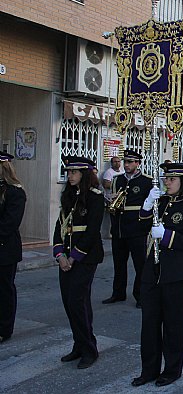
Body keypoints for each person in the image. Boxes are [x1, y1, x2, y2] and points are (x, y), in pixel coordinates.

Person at [132, 163, 183, 387]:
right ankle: (149, 370)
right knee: (149, 324)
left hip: (177, 273)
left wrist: (166, 236)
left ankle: (172, 370)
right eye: (166, 178)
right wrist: (146, 206)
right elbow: (141, 226)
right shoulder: (161, 201)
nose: (167, 182)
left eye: (172, 179)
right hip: (152, 272)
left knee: (173, 326)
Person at [53, 156, 104, 369]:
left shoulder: (94, 197)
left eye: (74, 172)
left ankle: (89, 349)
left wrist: (74, 256)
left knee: (78, 301)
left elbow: (92, 231)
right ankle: (78, 344)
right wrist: (60, 255)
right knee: (68, 302)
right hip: (67, 257)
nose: (70, 176)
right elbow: (60, 226)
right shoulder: (68, 195)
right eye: (68, 172)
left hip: (85, 257)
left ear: (84, 174)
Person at [103, 149, 153, 308]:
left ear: (138, 163)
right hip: (119, 228)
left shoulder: (146, 181)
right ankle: (118, 293)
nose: (126, 164)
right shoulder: (117, 180)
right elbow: (113, 200)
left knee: (140, 264)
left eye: (130, 162)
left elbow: (150, 206)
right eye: (125, 161)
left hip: (137, 228)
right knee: (119, 263)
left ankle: (140, 295)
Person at [0, 152, 27, 343]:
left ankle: (4, 328)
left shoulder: (15, 192)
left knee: (4, 289)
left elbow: (9, 223)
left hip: (5, 248)